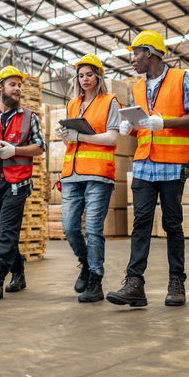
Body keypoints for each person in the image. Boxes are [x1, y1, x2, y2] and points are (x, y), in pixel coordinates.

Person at [108, 30, 189, 308]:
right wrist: (129, 128)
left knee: (172, 224)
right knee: (140, 224)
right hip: (143, 164)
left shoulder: (182, 79)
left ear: (149, 52)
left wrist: (165, 123)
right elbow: (140, 123)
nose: (132, 60)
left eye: (135, 54)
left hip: (174, 165)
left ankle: (177, 282)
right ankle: (134, 283)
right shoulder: (136, 88)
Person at [0, 66, 45, 299]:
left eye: (19, 85)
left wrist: (15, 150)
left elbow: (40, 146)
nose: (18, 89)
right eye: (12, 84)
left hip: (18, 183)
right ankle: (19, 273)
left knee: (6, 231)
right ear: (0, 88)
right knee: (3, 231)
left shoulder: (29, 117)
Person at [54, 55, 120, 303]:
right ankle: (85, 263)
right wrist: (63, 135)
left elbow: (112, 139)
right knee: (70, 228)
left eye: (89, 75)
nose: (85, 80)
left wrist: (78, 137)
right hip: (71, 174)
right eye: (81, 76)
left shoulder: (109, 101)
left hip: (98, 174)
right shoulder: (73, 104)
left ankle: (96, 280)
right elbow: (71, 141)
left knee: (93, 230)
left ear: (98, 77)